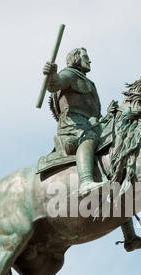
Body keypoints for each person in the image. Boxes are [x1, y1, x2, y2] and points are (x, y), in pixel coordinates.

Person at [43, 47, 104, 197]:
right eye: (85, 57)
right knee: (88, 138)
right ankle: (86, 182)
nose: (89, 60)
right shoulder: (69, 74)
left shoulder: (90, 83)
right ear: (76, 58)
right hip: (72, 123)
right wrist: (51, 73)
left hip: (89, 123)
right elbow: (55, 84)